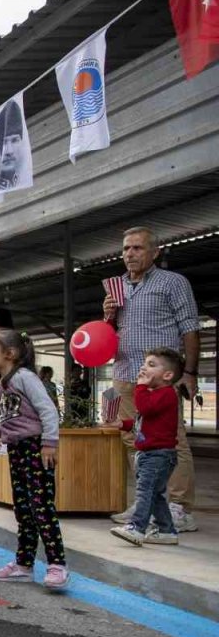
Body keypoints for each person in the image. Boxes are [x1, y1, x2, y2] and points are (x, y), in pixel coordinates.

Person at [104, 227, 201, 533]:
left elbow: (190, 328)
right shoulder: (117, 287)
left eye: (137, 248)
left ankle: (179, 506)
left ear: (154, 252)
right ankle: (147, 499)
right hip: (124, 372)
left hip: (160, 377)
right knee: (133, 439)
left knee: (172, 439)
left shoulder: (173, 283)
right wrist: (107, 315)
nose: (130, 254)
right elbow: (108, 334)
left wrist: (190, 372)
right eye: (125, 249)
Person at [0, 329, 69, 589]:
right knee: (23, 509)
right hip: (17, 450)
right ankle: (23, 564)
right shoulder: (0, 387)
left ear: (10, 354)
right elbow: (11, 418)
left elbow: (48, 410)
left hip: (36, 448)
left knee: (41, 507)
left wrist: (50, 443)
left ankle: (57, 564)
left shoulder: (25, 378)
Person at [112, 348, 184, 547]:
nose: (144, 368)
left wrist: (140, 387)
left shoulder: (167, 394)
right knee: (155, 494)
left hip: (158, 455)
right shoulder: (155, 394)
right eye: (144, 364)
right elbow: (142, 420)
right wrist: (122, 424)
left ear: (167, 375)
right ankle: (166, 530)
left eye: (151, 365)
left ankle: (137, 528)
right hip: (150, 454)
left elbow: (145, 408)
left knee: (145, 492)